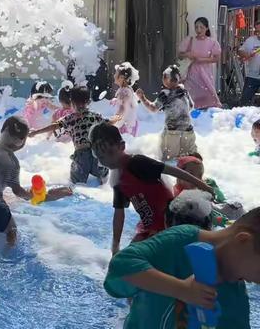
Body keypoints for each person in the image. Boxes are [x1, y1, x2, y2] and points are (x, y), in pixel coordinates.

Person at [103, 207, 260, 329]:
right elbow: (121, 265)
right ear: (243, 241)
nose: (257, 282)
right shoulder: (180, 242)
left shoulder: (235, 295)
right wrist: (182, 290)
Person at [89, 122, 214, 254]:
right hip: (150, 228)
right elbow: (119, 215)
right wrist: (115, 245)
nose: (107, 160)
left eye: (110, 153)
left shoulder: (137, 163)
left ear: (122, 146)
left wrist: (202, 185)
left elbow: (172, 171)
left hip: (171, 222)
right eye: (100, 156)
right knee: (126, 259)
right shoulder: (118, 181)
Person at [0, 116, 72, 246]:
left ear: (3, 130)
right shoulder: (11, 162)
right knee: (12, 231)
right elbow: (18, 192)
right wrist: (41, 195)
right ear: (20, 141)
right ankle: (6, 258)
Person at [29, 86, 109, 184]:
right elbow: (107, 124)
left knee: (76, 181)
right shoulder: (95, 116)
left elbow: (54, 126)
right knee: (103, 173)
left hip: (81, 155)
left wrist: (36, 132)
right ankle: (103, 178)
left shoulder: (70, 118)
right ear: (88, 102)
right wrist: (115, 119)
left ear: (72, 103)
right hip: (96, 154)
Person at [137, 65, 197, 161]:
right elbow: (191, 106)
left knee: (170, 160)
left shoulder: (165, 94)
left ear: (166, 78)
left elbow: (153, 108)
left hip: (172, 131)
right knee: (190, 159)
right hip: (188, 130)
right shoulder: (184, 92)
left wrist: (142, 98)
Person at [174, 155, 244, 224]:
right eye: (191, 175)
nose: (197, 179)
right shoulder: (181, 197)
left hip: (215, 210)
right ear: (179, 175)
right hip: (209, 218)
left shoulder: (196, 189)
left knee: (236, 206)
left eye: (200, 175)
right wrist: (216, 219)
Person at [178, 17, 222, 109]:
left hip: (205, 73)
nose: (198, 30)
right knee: (190, 95)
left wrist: (201, 60)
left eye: (201, 27)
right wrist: (187, 54)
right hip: (191, 73)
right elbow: (180, 55)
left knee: (208, 95)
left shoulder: (212, 42)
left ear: (206, 28)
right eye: (196, 27)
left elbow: (216, 58)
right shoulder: (190, 40)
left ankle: (204, 116)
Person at [112, 62, 139, 137]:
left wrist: (114, 121)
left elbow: (123, 108)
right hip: (130, 124)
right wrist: (117, 100)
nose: (114, 76)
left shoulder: (124, 92)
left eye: (116, 74)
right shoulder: (127, 89)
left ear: (122, 78)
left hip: (125, 126)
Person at [238, 20, 260, 106]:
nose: (258, 33)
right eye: (256, 31)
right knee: (244, 102)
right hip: (252, 76)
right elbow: (240, 51)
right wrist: (247, 54)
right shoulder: (251, 40)